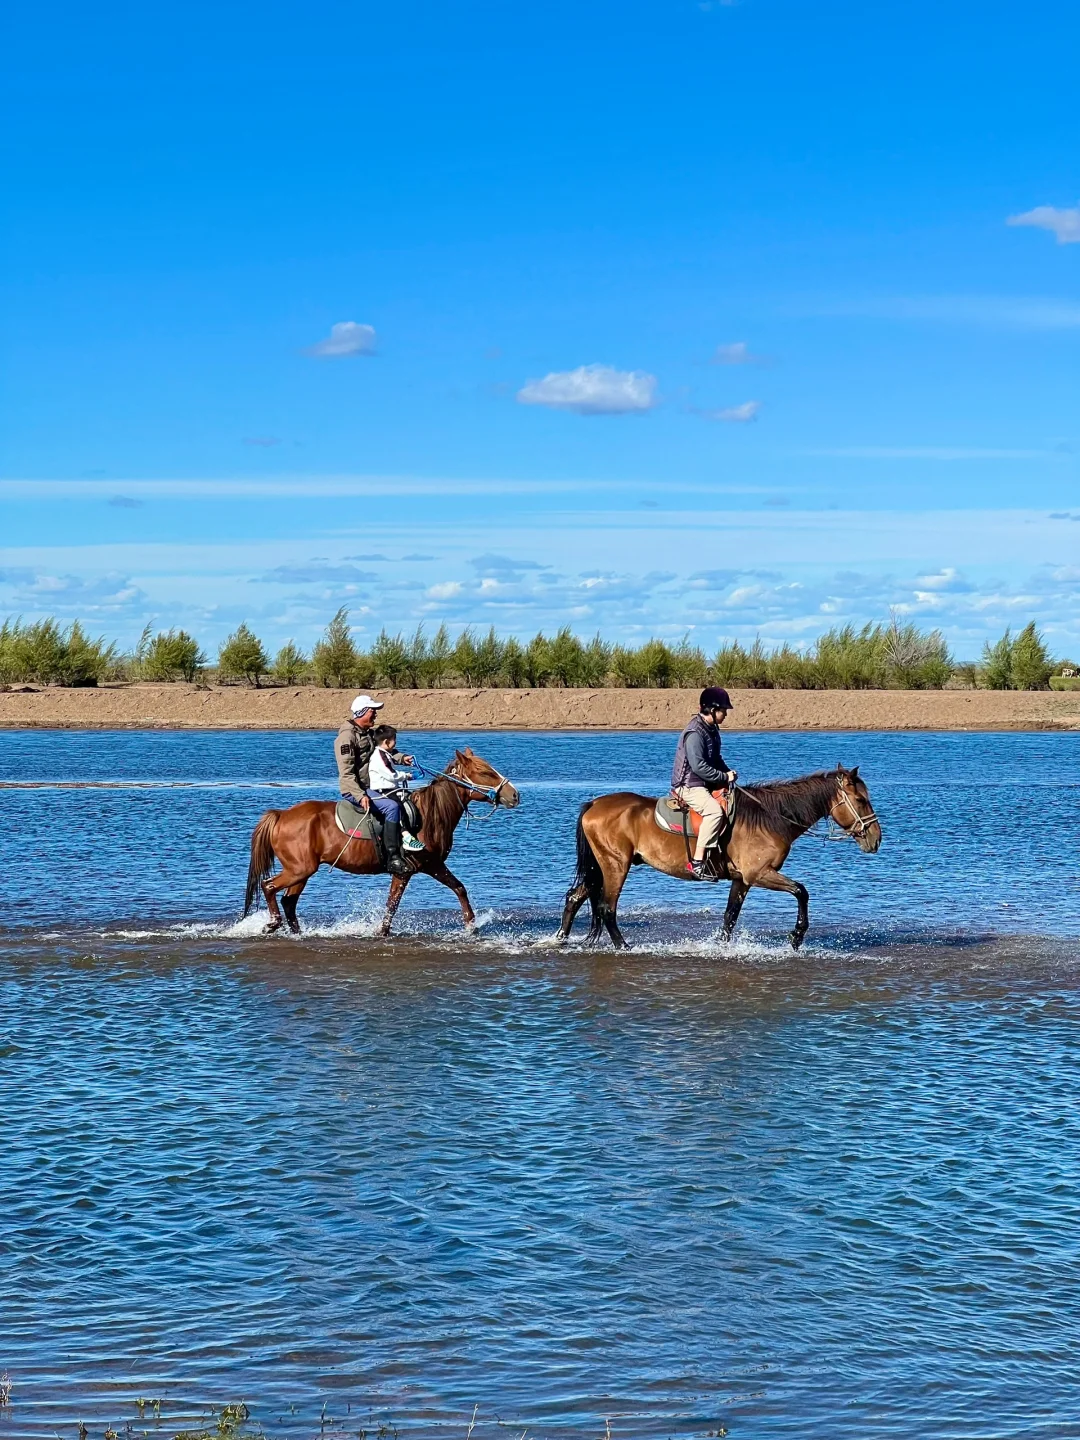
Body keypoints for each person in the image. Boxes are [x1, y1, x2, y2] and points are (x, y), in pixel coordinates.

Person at [335, 694, 414, 876]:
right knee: (391, 807)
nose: (375, 715)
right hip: (356, 790)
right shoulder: (346, 738)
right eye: (373, 711)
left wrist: (402, 758)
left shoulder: (368, 734)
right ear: (362, 712)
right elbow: (346, 774)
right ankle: (393, 857)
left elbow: (384, 752)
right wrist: (360, 795)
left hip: (372, 787)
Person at [670, 685, 737, 881]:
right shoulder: (695, 733)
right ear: (712, 710)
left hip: (703, 783)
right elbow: (698, 767)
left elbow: (715, 759)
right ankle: (697, 862)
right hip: (688, 785)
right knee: (714, 812)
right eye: (723, 710)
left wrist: (726, 771)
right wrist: (724, 778)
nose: (725, 714)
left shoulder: (712, 729)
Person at [368, 724, 425, 853]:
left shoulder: (385, 754)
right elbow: (391, 775)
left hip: (390, 788)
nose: (395, 743)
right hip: (383, 790)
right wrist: (408, 776)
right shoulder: (379, 756)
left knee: (408, 800)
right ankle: (405, 836)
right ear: (387, 742)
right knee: (398, 805)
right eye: (394, 740)